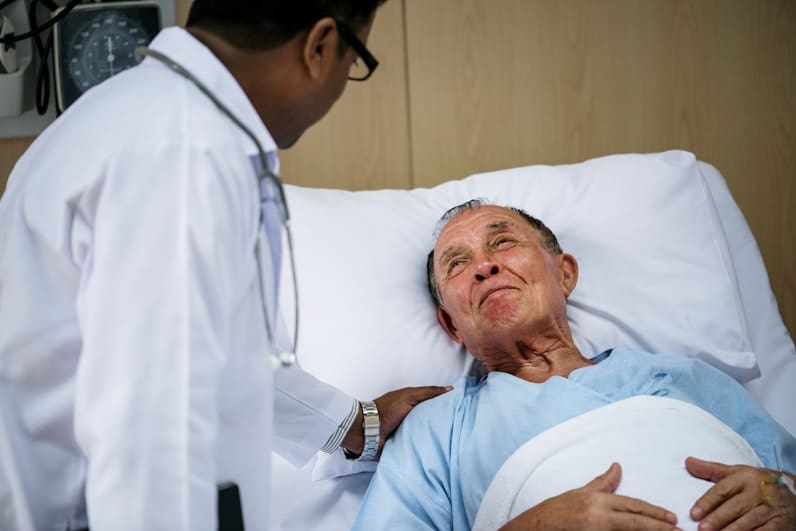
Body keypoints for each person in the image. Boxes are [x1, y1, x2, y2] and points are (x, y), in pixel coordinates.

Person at [0, 2, 448, 529]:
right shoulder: (184, 157)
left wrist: (356, 425)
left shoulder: (136, 118)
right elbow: (154, 438)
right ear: (320, 46)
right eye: (354, 63)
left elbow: (226, 357)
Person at [351, 199, 796, 530]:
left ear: (565, 273)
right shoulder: (437, 430)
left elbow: (785, 480)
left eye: (503, 242)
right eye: (458, 264)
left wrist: (784, 496)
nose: (484, 266)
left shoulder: (687, 379)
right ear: (452, 325)